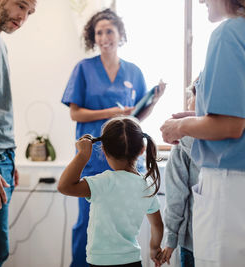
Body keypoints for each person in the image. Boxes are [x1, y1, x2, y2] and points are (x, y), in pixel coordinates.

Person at [160, 0, 245, 266]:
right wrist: (200, 119)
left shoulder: (230, 33)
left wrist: (180, 127)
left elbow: (229, 125)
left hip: (232, 198)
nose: (201, 1)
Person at [61, 8, 165, 266]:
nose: (104, 36)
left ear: (120, 34)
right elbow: (76, 113)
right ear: (92, 38)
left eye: (109, 30)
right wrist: (113, 112)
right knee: (87, 224)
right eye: (99, 32)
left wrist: (153, 100)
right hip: (93, 162)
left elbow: (136, 117)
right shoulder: (84, 69)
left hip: (126, 162)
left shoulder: (134, 71)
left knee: (122, 225)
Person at [58, 116, 164, 267]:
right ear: (142, 149)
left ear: (104, 149)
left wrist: (82, 155)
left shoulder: (102, 183)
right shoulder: (147, 185)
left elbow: (64, 186)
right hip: (133, 260)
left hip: (101, 262)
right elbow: (157, 225)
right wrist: (154, 248)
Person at [0, 0, 36, 266]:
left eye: (29, 12)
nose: (23, 17)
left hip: (1, 159)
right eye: (21, 6)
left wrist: (10, 157)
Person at [161, 83, 199, 267]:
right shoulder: (232, 140)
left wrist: (171, 238)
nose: (188, 101)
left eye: (192, 96)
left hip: (193, 240)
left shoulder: (183, 141)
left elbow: (176, 195)